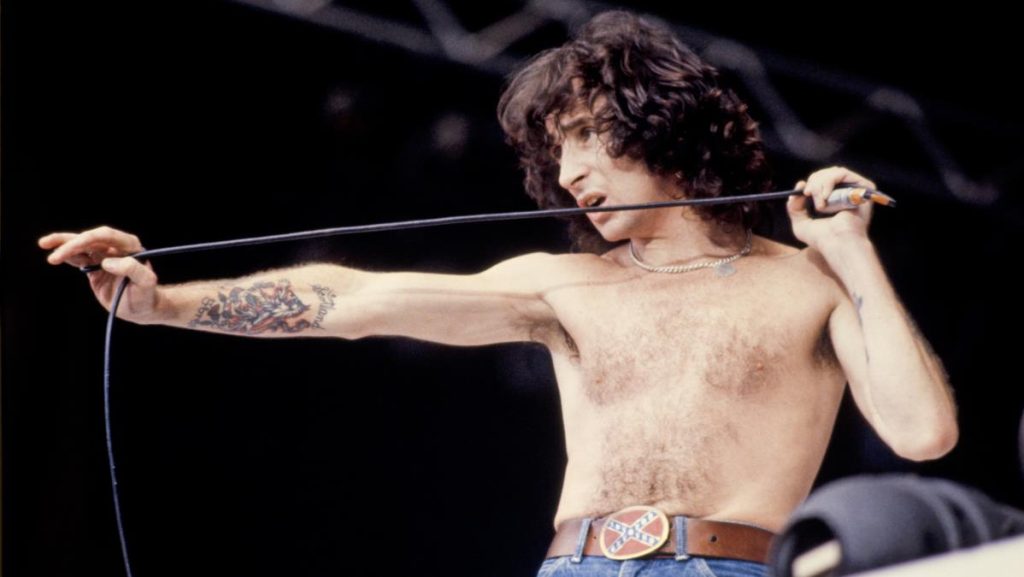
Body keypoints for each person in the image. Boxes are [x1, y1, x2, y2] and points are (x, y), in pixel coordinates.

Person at [39, 10, 957, 577]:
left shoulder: (805, 281)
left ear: (662, 126)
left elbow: (923, 433)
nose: (572, 170)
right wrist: (165, 304)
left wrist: (849, 254)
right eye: (557, 151)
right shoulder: (562, 284)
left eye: (588, 135)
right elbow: (354, 300)